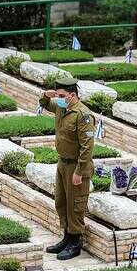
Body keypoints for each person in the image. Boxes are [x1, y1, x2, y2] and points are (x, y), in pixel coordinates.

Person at [38, 77, 96, 260]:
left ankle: (75, 243)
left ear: (72, 95)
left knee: (75, 205)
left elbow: (88, 146)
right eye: (58, 95)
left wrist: (79, 171)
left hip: (76, 167)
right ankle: (66, 238)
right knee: (61, 202)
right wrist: (45, 95)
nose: (59, 98)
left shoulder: (83, 115)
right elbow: (45, 104)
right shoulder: (62, 107)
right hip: (63, 163)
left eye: (62, 95)